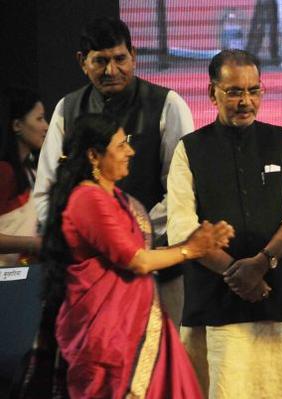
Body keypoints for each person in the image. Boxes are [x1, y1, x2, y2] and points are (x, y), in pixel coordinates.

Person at [34, 113, 233, 398]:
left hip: (137, 326)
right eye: (120, 146)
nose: (131, 151)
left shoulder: (117, 199)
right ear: (93, 155)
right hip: (109, 338)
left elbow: (144, 255)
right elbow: (137, 260)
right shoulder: (88, 199)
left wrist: (193, 242)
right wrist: (191, 249)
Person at [167, 49, 282, 398]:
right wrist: (237, 273)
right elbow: (183, 227)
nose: (245, 101)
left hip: (279, 303)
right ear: (211, 92)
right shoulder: (189, 150)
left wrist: (262, 263)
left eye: (253, 90)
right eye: (234, 92)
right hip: (215, 308)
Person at [33, 17, 194, 325]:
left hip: (159, 267)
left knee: (162, 364)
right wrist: (81, 238)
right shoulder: (67, 110)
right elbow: (47, 193)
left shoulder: (167, 104)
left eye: (120, 59)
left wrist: (134, 237)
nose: (111, 71)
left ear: (133, 55)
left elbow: (181, 191)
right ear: (82, 62)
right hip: (89, 275)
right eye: (100, 61)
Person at [0, 87, 48, 266]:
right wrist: (34, 243)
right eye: (39, 118)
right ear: (17, 125)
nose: (46, 126)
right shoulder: (4, 172)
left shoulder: (32, 172)